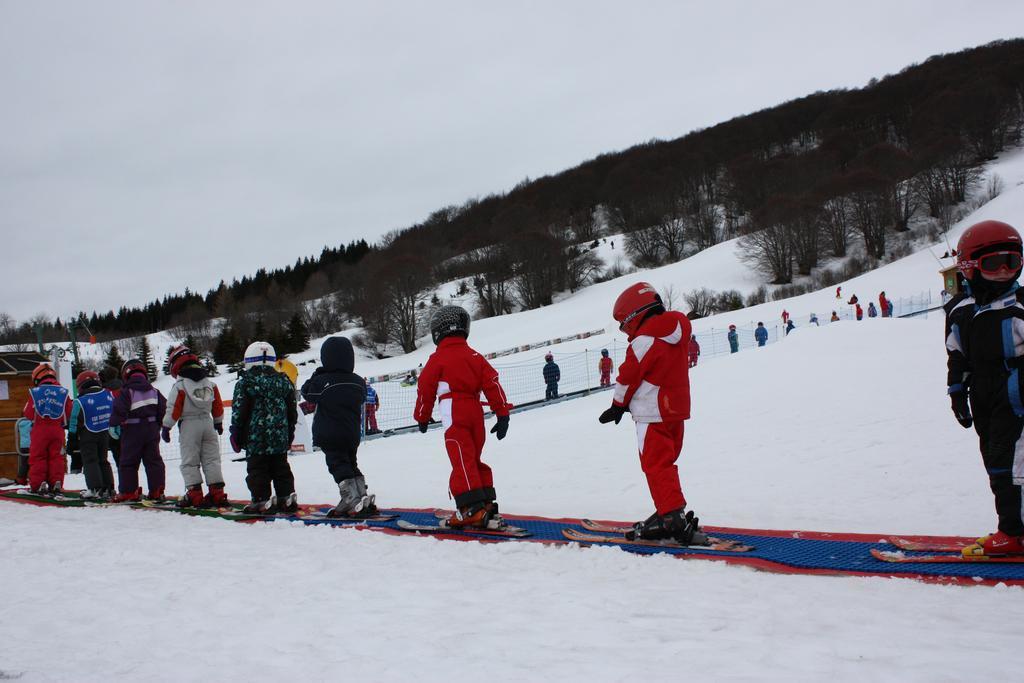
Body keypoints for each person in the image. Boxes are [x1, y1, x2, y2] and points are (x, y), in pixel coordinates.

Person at [597, 282, 705, 545]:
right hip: (676, 411)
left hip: (651, 412)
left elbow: (627, 377)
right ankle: (668, 509)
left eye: (624, 324)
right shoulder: (680, 329)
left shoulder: (643, 342)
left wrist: (617, 405)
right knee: (666, 463)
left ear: (634, 315)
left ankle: (672, 518)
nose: (625, 332)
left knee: (655, 465)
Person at [945, 220, 1024, 557]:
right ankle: (1010, 527)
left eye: (1013, 261)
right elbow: (957, 355)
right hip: (983, 394)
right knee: (994, 460)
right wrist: (956, 393)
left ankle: (1013, 532)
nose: (1005, 271)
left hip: (1016, 394)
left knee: (1013, 463)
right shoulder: (961, 312)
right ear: (969, 267)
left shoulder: (1019, 306)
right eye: (993, 263)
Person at [414, 305, 512, 530]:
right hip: (476, 411)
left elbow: (425, 388)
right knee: (474, 458)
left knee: (461, 458)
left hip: (453, 410)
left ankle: (470, 510)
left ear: (437, 331)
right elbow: (492, 383)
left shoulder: (437, 358)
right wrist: (502, 413)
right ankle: (485, 503)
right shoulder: (475, 356)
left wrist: (422, 416)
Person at [300, 336, 378, 518]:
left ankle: (351, 499)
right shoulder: (358, 382)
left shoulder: (323, 381)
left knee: (338, 465)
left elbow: (307, 392)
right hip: (351, 433)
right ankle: (360, 495)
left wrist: (317, 375)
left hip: (330, 433)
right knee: (351, 463)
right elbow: (361, 397)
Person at [230, 341, 299, 515]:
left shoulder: (245, 383)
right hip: (280, 434)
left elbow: (239, 410)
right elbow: (292, 411)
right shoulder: (284, 381)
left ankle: (261, 499)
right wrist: (290, 431)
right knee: (281, 466)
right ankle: (286, 497)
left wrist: (236, 431)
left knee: (257, 468)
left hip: (255, 437)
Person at [162, 345, 228, 508]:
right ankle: (217, 494)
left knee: (190, 461)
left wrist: (166, 426)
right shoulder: (210, 384)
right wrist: (218, 422)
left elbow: (174, 408)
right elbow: (217, 404)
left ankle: (194, 495)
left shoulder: (180, 386)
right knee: (212, 459)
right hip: (207, 423)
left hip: (189, 425)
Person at [109, 359, 167, 502]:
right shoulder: (155, 392)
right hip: (152, 429)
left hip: (132, 430)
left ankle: (129, 492)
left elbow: (119, 410)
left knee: (128, 461)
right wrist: (158, 425)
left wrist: (114, 424)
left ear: (126, 375)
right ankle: (157, 490)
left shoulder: (126, 392)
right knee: (154, 461)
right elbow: (164, 410)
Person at [22, 363, 72, 495]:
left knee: (38, 457)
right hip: (58, 430)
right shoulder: (63, 392)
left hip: (40, 430)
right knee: (57, 457)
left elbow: (27, 413)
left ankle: (39, 484)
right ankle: (56, 482)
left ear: (37, 378)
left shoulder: (36, 392)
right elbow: (69, 411)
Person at [68, 371, 116, 499]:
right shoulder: (108, 395)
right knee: (103, 460)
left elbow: (73, 421)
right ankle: (109, 488)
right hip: (105, 432)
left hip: (88, 434)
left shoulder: (80, 401)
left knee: (90, 461)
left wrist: (71, 438)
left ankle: (94, 488)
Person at [100, 366, 123, 466]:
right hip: (125, 422)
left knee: (115, 448)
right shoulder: (124, 387)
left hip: (110, 424)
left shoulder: (104, 391)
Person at [14, 417, 31, 485]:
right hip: (31, 445)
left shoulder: (19, 423)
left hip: (23, 446)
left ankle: (21, 479)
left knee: (23, 464)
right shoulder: (31, 423)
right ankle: (33, 479)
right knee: (33, 463)